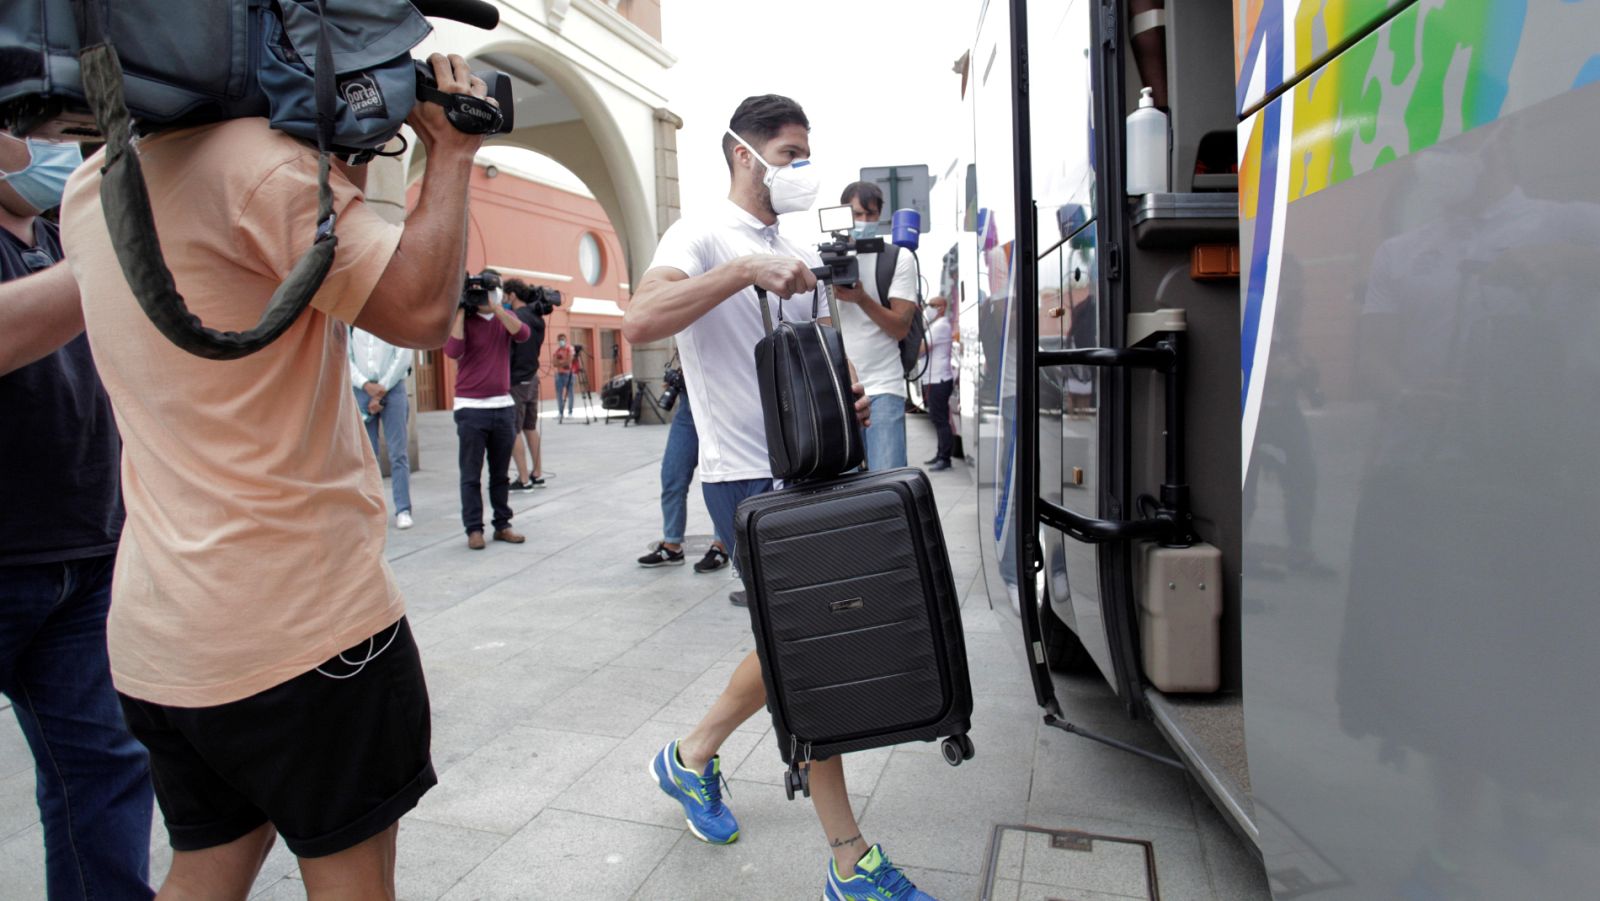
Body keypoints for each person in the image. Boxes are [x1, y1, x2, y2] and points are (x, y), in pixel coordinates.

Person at [57, 53, 491, 896]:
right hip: (301, 630)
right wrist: (452, 150)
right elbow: (419, 311)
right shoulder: (265, 172)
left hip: (164, 630)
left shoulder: (92, 186)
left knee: (206, 868)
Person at [623, 93, 940, 901]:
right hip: (743, 474)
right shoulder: (698, 234)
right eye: (790, 153)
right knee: (811, 650)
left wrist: (848, 397)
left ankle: (690, 755)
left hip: (812, 463)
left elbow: (818, 356)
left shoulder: (794, 246)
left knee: (794, 641)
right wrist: (737, 271)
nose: (801, 168)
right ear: (744, 153)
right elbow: (640, 317)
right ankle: (850, 860)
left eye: (805, 154)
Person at [0, 134, 156, 901]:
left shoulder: (63, 236)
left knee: (105, 769)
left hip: (86, 553)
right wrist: (118, 247)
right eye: (31, 129)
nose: (56, 149)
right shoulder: (87, 254)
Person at [444, 269, 531, 550]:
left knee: (500, 473)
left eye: (489, 291)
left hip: (502, 406)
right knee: (470, 474)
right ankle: (474, 529)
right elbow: (453, 350)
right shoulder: (463, 321)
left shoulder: (505, 318)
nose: (482, 296)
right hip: (470, 408)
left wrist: (496, 308)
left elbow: (523, 334)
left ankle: (503, 524)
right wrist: (460, 308)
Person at [834, 181, 918, 470]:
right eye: (858, 214)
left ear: (880, 215)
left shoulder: (897, 258)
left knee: (888, 486)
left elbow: (900, 328)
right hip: (839, 387)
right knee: (843, 491)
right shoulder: (829, 258)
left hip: (884, 385)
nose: (864, 222)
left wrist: (861, 298)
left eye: (871, 215)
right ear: (843, 214)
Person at [636, 390, 731, 572]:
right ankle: (672, 546)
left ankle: (722, 546)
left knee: (720, 479)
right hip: (688, 407)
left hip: (719, 406)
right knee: (672, 475)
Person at [349, 326, 415, 528]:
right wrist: (365, 385)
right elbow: (345, 357)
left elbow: (403, 356)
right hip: (361, 390)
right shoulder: (351, 323)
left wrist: (381, 390)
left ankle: (403, 509)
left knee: (398, 453)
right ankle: (372, 509)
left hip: (392, 389)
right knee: (367, 455)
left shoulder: (393, 320)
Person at [503, 279, 547, 491]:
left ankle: (523, 478)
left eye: (505, 295)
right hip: (532, 377)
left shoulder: (514, 318)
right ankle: (537, 473)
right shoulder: (538, 318)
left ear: (512, 295)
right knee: (530, 427)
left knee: (513, 429)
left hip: (515, 380)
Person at [920, 295, 955, 470]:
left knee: (940, 420)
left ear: (941, 307)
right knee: (937, 418)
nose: (928, 308)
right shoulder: (936, 325)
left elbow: (920, 350)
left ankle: (945, 458)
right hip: (934, 379)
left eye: (932, 305)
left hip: (938, 379)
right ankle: (940, 454)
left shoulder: (940, 326)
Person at [552, 332, 575, 421]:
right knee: (559, 394)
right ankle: (560, 412)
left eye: (563, 339)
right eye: (560, 339)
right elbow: (554, 363)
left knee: (570, 394)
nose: (562, 341)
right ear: (558, 341)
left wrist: (560, 363)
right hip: (559, 375)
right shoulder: (557, 351)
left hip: (569, 374)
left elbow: (569, 361)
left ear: (566, 340)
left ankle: (570, 412)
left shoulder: (569, 349)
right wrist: (562, 363)